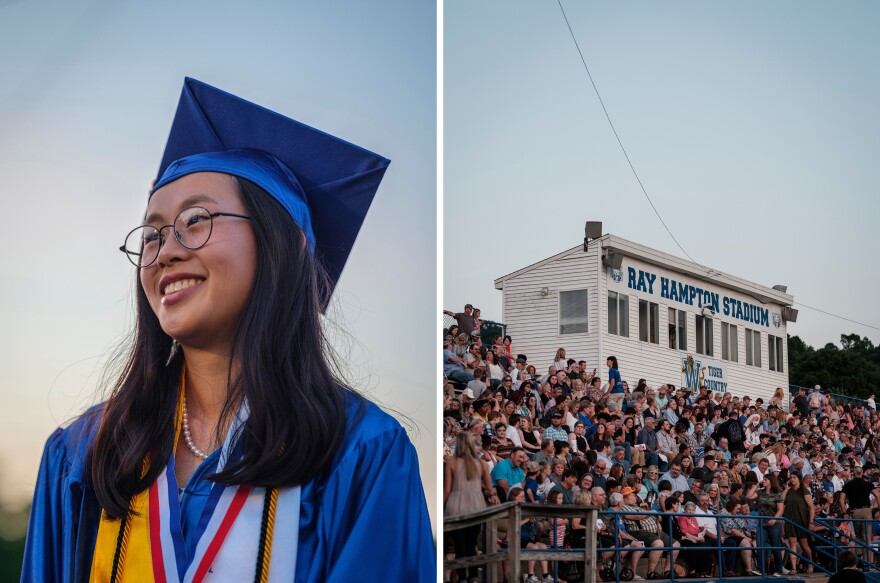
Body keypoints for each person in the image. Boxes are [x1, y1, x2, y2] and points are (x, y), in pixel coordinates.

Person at [21, 78, 433, 582]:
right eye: (151, 234)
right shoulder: (83, 454)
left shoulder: (361, 452)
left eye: (196, 220)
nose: (166, 249)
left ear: (287, 245)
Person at [445, 432, 497, 582]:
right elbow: (489, 486)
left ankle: (462, 578)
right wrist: (492, 495)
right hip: (476, 505)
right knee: (472, 544)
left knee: (460, 547)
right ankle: (473, 576)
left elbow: (447, 490)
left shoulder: (452, 462)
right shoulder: (481, 464)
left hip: (456, 505)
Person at [783, 472, 815, 573]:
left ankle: (810, 564)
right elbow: (781, 501)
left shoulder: (804, 490)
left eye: (794, 477)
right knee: (792, 544)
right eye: (791, 478)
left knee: (804, 545)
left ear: (799, 479)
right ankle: (793, 568)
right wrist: (786, 489)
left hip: (801, 520)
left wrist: (811, 521)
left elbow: (811, 507)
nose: (792, 479)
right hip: (790, 520)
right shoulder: (789, 491)